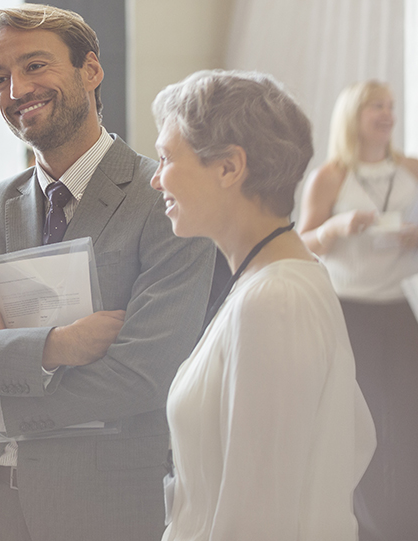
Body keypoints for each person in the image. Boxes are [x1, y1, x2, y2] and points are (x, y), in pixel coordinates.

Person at [0, 5, 215, 540]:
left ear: (91, 70)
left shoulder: (163, 202)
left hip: (99, 511)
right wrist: (55, 347)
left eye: (35, 66)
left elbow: (144, 375)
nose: (16, 90)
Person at [152, 70, 377, 540]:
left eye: (166, 158)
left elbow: (259, 518)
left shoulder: (274, 301)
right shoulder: (274, 282)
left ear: (230, 167)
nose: (156, 180)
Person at [297, 80, 418, 541]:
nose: (387, 114)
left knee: (408, 416)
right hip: (350, 311)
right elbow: (303, 241)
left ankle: (407, 521)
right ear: (354, 116)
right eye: (376, 106)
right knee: (361, 422)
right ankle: (365, 526)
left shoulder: (411, 168)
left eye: (390, 106)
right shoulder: (330, 176)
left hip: (398, 306)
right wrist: (336, 227)